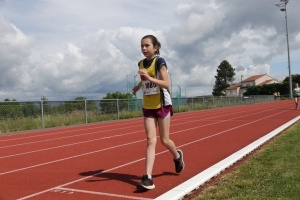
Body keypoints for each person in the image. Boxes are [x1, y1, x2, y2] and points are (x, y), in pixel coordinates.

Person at [132, 35, 184, 190]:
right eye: (141, 46)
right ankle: (148, 178)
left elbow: (166, 83)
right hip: (148, 104)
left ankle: (177, 156)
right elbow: (144, 80)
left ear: (155, 47)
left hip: (162, 104)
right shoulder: (141, 63)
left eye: (147, 45)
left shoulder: (160, 61)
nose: (143, 49)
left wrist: (149, 77)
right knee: (150, 139)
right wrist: (138, 86)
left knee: (165, 140)